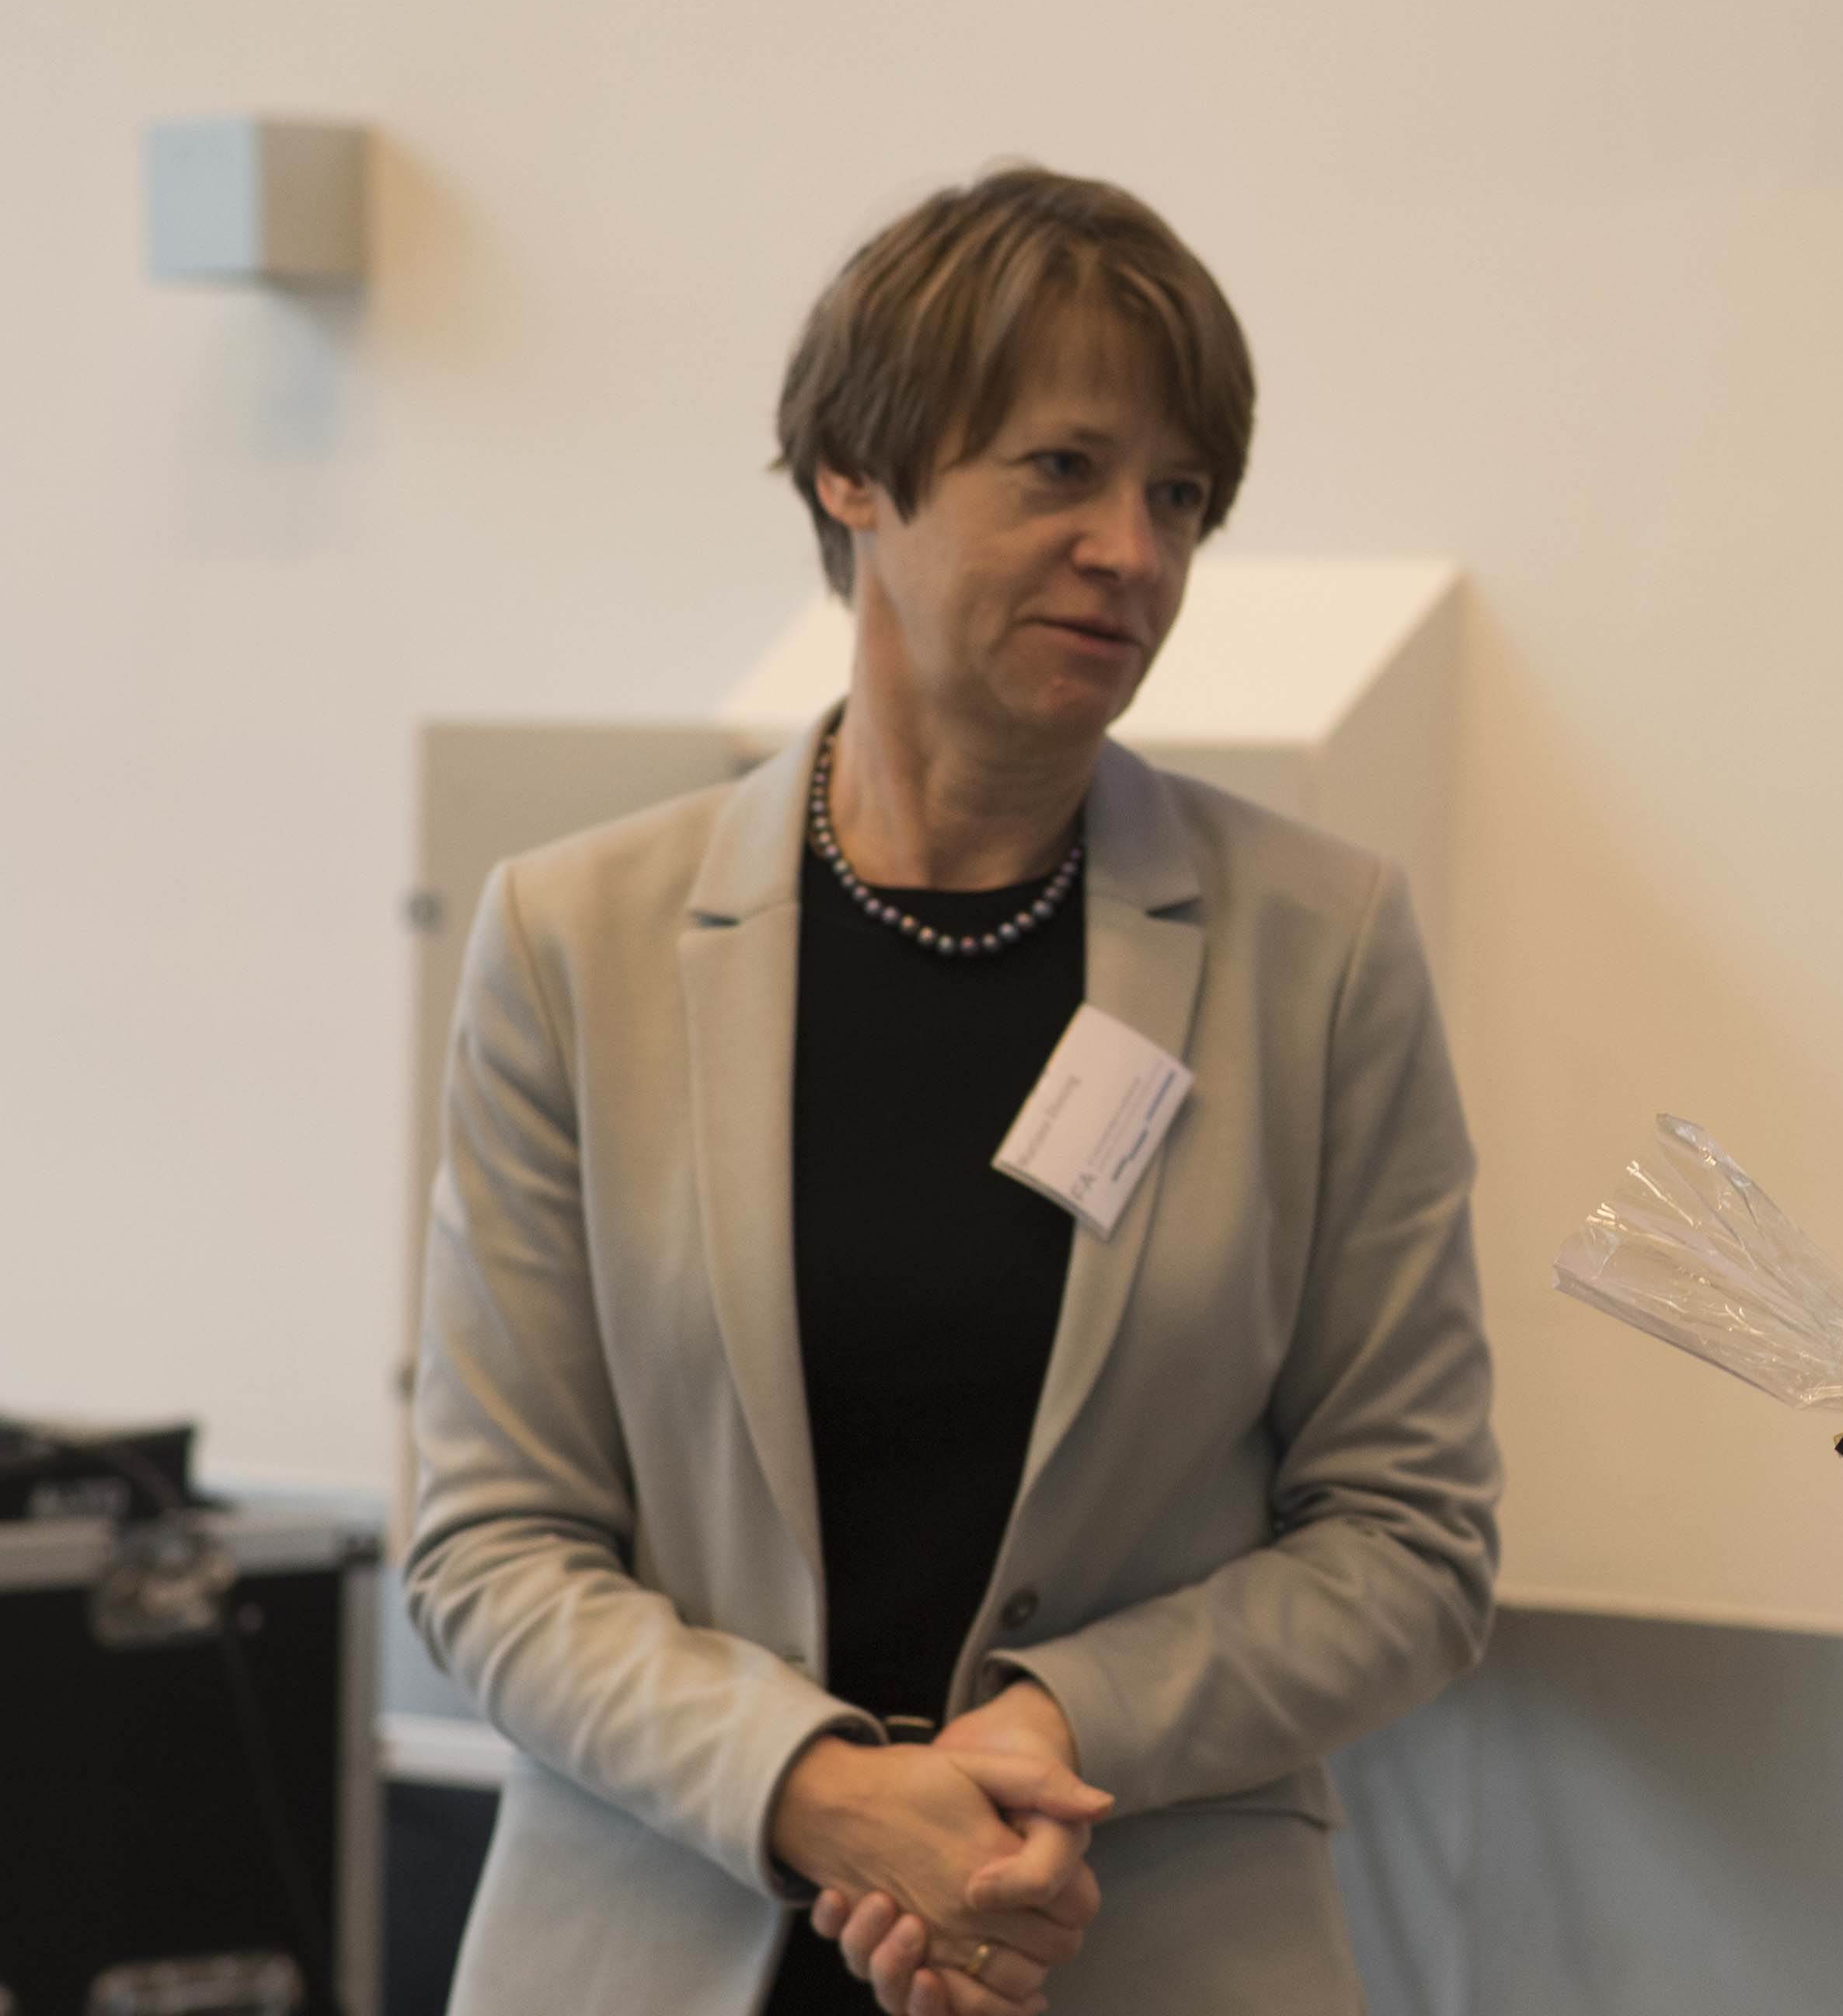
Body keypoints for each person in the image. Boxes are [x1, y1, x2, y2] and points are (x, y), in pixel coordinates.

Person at [408, 166, 1500, 2014]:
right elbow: (490, 1546)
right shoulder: (574, 938)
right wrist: (825, 1794)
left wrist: (1047, 1736)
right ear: (857, 470)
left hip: (1134, 1935)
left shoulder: (1317, 951)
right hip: (660, 1935)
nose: (1131, 551)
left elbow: (1413, 1542)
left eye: (1179, 495)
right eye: (1063, 469)